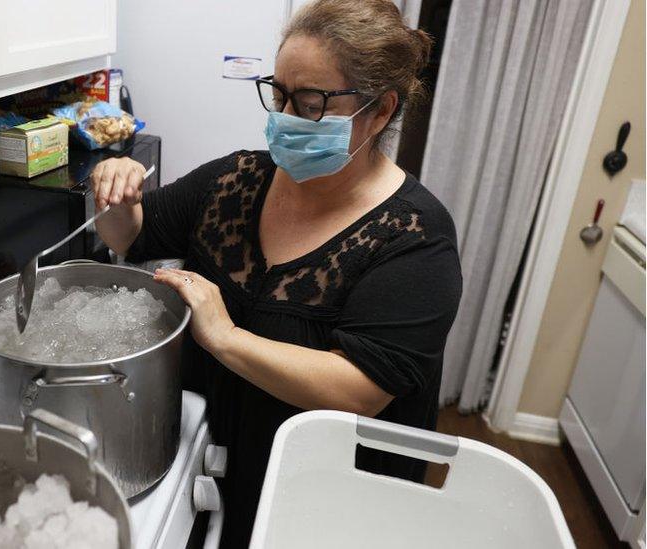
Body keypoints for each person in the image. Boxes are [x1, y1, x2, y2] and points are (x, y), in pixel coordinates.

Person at [91, 0, 462, 545]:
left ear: (380, 111)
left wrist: (226, 336)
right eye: (279, 94)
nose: (284, 117)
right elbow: (134, 237)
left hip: (325, 498)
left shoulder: (415, 238)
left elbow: (360, 389)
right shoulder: (236, 179)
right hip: (211, 456)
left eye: (310, 103)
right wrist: (119, 193)